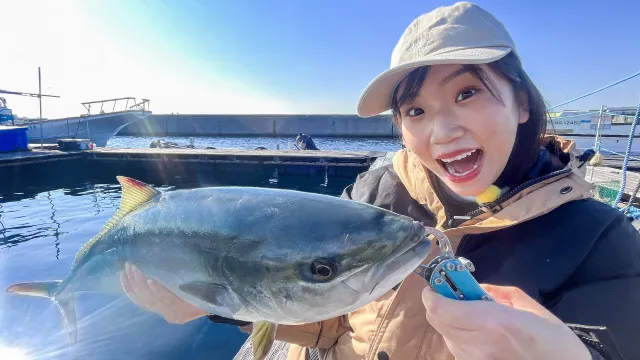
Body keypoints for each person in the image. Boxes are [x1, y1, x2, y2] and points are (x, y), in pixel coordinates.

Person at [119, 2, 640, 359]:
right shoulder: (377, 194)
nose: (441, 130)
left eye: (467, 94)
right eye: (415, 110)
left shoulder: (601, 243)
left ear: (522, 101)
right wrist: (221, 307)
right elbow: (328, 324)